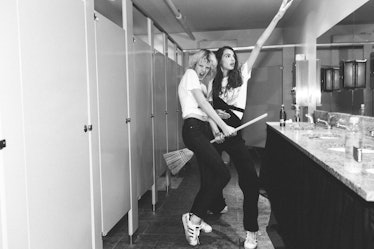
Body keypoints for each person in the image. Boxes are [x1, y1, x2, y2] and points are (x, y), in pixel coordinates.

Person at [207, 0, 294, 248]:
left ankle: (251, 231)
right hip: (215, 133)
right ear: (219, 60)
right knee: (210, 176)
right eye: (227, 56)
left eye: (233, 56)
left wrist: (277, 16)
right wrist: (216, 124)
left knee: (250, 183)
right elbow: (203, 108)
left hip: (235, 135)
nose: (232, 59)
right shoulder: (211, 84)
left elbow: (258, 44)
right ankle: (215, 203)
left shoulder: (243, 75)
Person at [178, 49, 237, 246]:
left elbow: (205, 110)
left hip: (202, 129)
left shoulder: (202, 84)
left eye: (207, 67)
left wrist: (216, 131)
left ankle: (195, 216)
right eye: (200, 65)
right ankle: (194, 220)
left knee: (209, 178)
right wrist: (223, 125)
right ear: (194, 64)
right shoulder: (190, 75)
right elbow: (202, 104)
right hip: (193, 129)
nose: (203, 70)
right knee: (223, 174)